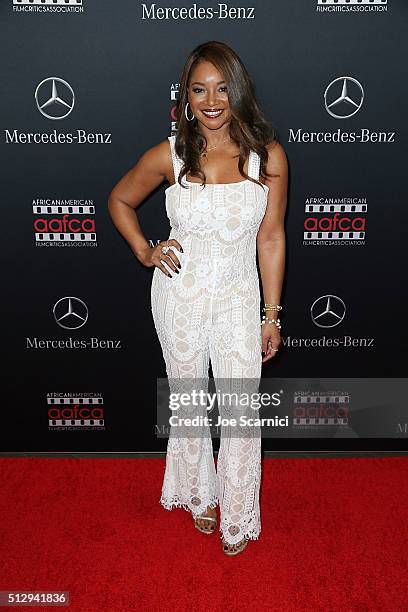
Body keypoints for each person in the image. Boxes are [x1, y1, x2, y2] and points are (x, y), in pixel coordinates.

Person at [108, 40, 288, 556]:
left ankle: (237, 511)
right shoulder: (170, 153)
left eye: (222, 88)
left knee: (239, 408)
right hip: (179, 297)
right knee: (189, 404)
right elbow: (120, 198)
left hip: (237, 298)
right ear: (185, 95)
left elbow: (271, 237)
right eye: (199, 89)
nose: (211, 100)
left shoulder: (267, 156)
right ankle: (200, 495)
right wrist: (145, 250)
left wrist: (270, 314)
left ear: (239, 90)